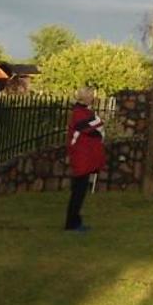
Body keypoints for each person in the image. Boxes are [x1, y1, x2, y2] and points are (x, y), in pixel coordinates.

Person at [66, 87, 106, 231]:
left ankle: (75, 221)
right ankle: (72, 223)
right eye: (91, 96)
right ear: (85, 98)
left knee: (80, 191)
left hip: (84, 158)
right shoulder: (79, 114)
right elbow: (96, 127)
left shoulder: (83, 113)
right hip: (81, 158)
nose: (93, 98)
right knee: (78, 192)